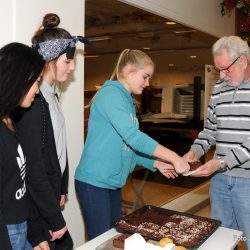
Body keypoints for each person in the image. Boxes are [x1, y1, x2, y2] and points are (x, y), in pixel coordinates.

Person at [75, 49, 190, 240]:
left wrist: (155, 163)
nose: (147, 83)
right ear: (129, 70)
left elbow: (126, 146)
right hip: (94, 181)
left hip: (112, 182)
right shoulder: (110, 95)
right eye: (145, 77)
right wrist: (173, 157)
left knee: (113, 237)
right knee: (100, 241)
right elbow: (133, 137)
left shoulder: (127, 100)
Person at [14, 13, 89, 250]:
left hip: (49, 196)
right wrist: (50, 219)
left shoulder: (51, 96)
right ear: (49, 60)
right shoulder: (33, 103)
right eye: (67, 61)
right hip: (35, 207)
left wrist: (62, 187)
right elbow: (33, 167)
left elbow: (57, 147)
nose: (73, 67)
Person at [183, 35, 250, 249]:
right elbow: (210, 130)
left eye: (225, 69)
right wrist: (195, 151)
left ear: (242, 61)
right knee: (220, 242)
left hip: (247, 183)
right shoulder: (219, 89)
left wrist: (221, 162)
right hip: (220, 181)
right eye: (217, 69)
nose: (221, 76)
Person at [0, 42, 45, 250]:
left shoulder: (11, 120)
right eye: (37, 81)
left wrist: (36, 235)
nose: (38, 89)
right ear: (21, 79)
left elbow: (21, 183)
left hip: (21, 228)